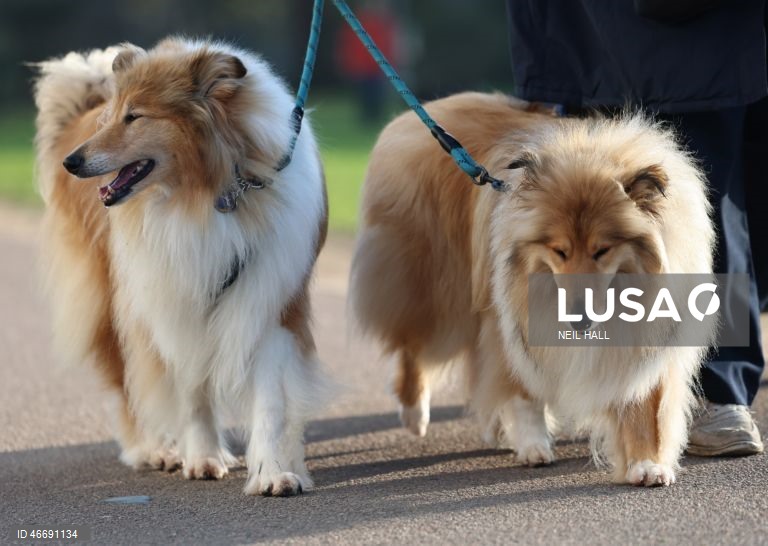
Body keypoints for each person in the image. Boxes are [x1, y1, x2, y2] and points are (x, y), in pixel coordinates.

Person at [506, 0, 766, 456]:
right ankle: (709, 389)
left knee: (716, 202)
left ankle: (694, 377)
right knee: (689, 207)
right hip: (626, 34)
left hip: (627, 36)